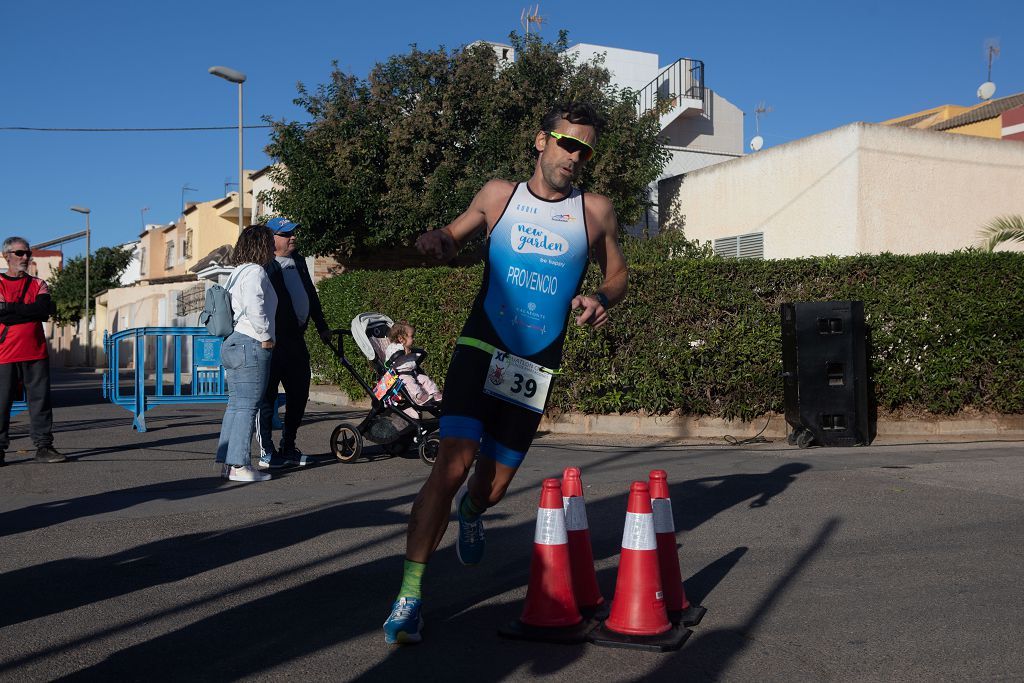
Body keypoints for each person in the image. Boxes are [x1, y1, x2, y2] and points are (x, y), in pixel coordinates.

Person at [383, 101, 628, 644]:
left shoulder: (596, 212)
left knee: (490, 487)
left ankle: (474, 511)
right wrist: (437, 242)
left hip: (533, 364)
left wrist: (602, 296)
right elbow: (453, 234)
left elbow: (618, 273)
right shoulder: (501, 196)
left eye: (584, 149)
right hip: (481, 345)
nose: (574, 156)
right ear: (541, 141)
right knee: (452, 463)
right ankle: (410, 595)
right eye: (567, 143)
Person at [256, 217, 332, 470]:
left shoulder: (298, 261)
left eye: (293, 233)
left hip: (296, 340)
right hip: (270, 342)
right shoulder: (263, 265)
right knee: (267, 397)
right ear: (271, 238)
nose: (293, 237)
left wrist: (322, 326)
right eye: (286, 234)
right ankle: (267, 451)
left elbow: (310, 293)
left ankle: (289, 447)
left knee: (299, 393)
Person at [215, 225, 277, 483]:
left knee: (235, 405)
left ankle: (228, 463)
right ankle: (239, 465)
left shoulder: (235, 273)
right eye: (270, 243)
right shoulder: (255, 271)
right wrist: (266, 336)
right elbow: (255, 306)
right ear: (261, 245)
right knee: (247, 406)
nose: (274, 247)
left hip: (232, 343)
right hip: (250, 343)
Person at [0, 236, 64, 466]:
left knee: (40, 402)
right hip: (4, 354)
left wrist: (11, 309)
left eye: (27, 253)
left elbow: (44, 310)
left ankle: (44, 447)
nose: (25, 257)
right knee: (1, 403)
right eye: (19, 253)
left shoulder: (38, 284)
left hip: (36, 352)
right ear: (7, 256)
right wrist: (28, 310)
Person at [384, 320, 442, 407]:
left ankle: (435, 394)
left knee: (425, 379)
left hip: (413, 373)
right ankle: (419, 397)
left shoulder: (409, 348)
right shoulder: (393, 347)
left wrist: (420, 352)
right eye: (412, 336)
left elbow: (415, 357)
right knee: (410, 382)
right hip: (400, 375)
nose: (413, 339)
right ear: (401, 339)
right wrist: (402, 348)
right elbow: (392, 354)